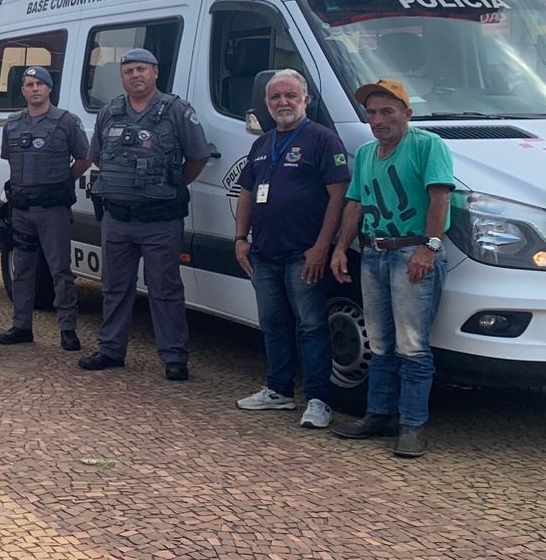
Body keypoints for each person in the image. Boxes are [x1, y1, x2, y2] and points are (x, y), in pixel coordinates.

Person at [329, 77, 454, 458]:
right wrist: (341, 248)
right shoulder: (367, 153)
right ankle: (378, 414)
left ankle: (412, 425)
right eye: (371, 113)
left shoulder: (427, 145)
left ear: (406, 113)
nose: (378, 120)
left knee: (412, 345)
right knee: (380, 342)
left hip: (410, 252)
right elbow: (355, 204)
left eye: (387, 111)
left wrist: (429, 248)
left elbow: (440, 197)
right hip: (374, 253)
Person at [80, 48, 211, 380]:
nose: (135, 75)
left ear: (155, 72)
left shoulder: (177, 111)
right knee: (114, 287)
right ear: (122, 77)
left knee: (165, 289)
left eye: (142, 69)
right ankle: (111, 350)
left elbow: (198, 157)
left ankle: (174, 357)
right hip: (116, 219)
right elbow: (98, 156)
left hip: (160, 220)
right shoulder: (110, 112)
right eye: (129, 71)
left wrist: (169, 184)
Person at [232, 70, 349, 429]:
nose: (282, 102)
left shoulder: (323, 140)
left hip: (303, 254)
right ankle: (278, 390)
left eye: (290, 95)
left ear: (305, 100)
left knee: (311, 327)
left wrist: (322, 247)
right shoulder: (262, 143)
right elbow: (247, 193)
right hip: (264, 253)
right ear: (266, 103)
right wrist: (240, 239)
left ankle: (318, 400)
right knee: (273, 324)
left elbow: (339, 197)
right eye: (275, 97)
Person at [0, 65, 90, 350]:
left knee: (60, 269)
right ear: (23, 91)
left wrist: (64, 182)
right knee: (22, 269)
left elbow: (84, 158)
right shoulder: (13, 124)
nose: (34, 88)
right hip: (22, 210)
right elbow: (10, 159)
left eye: (40, 84)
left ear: (49, 88)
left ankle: (67, 329)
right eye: (29, 84)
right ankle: (21, 326)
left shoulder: (67, 121)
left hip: (52, 209)